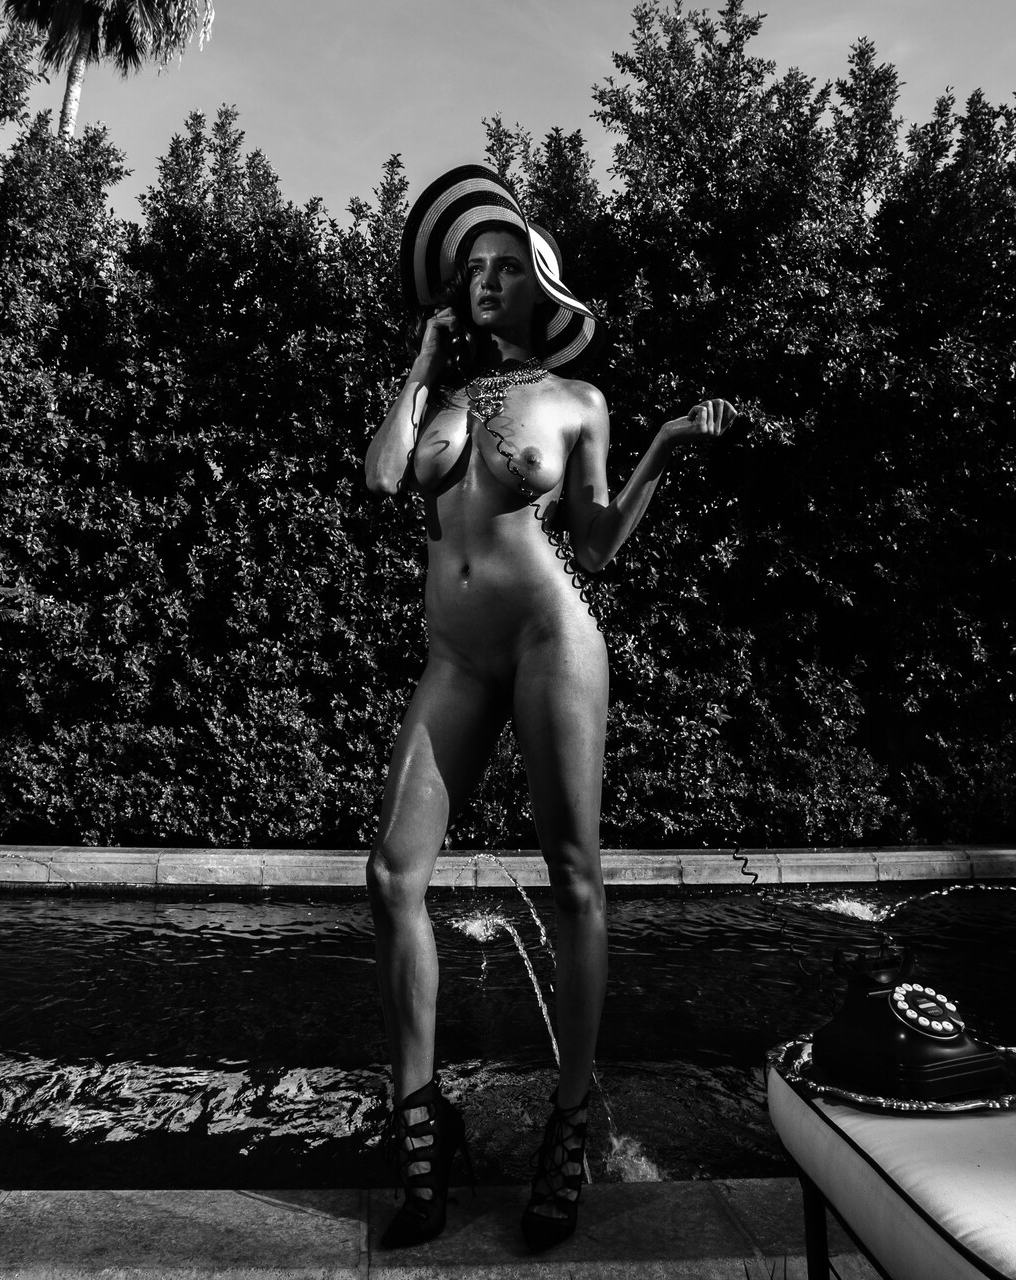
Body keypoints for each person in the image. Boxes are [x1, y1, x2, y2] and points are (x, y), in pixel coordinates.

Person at [364, 165, 734, 1251]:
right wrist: (419, 365)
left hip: (547, 639)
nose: (483, 280)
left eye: (502, 265)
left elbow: (601, 541)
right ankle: (422, 1125)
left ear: (540, 285)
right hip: (456, 655)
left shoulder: (578, 403)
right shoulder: (441, 403)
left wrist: (665, 444)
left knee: (574, 876)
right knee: (391, 875)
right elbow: (384, 479)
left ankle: (568, 1123)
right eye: (469, 267)